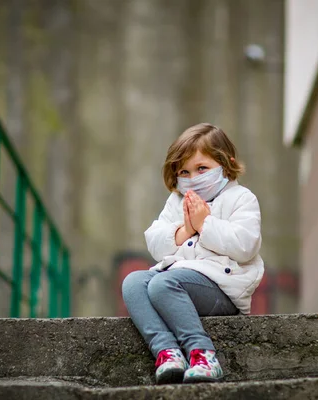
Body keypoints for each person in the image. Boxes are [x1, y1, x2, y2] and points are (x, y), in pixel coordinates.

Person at [121, 123, 264, 385]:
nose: (193, 178)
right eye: (185, 172)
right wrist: (185, 229)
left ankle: (203, 354)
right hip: (178, 282)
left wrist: (204, 224)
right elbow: (155, 239)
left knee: (162, 284)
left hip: (224, 290)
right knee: (133, 283)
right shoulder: (176, 202)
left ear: (226, 164)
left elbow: (246, 245)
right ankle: (167, 352)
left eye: (202, 169)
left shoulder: (241, 198)